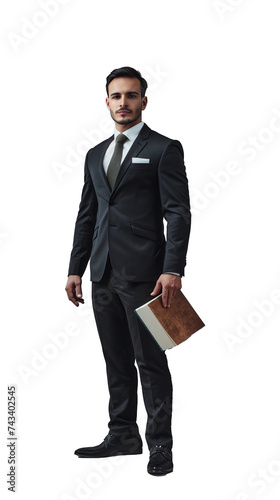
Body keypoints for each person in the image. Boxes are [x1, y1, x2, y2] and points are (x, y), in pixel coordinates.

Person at [65, 66, 191, 476]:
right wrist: (74, 269)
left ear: (144, 101)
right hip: (101, 272)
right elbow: (87, 215)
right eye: (116, 96)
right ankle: (122, 433)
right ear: (107, 102)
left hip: (147, 274)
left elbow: (178, 212)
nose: (123, 102)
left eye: (131, 95)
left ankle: (160, 444)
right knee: (115, 359)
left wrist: (173, 269)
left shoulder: (164, 148)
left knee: (151, 359)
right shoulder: (94, 153)